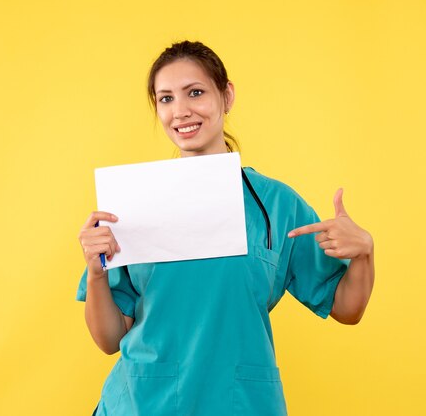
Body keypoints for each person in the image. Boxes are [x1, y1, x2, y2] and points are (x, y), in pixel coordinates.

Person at [76, 40, 375, 416]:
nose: (181, 111)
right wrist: (95, 272)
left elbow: (347, 308)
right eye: (165, 99)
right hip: (140, 404)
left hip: (239, 404)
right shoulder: (132, 204)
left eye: (195, 93)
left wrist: (364, 252)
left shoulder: (276, 206)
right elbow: (108, 339)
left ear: (226, 95)